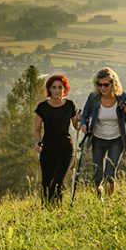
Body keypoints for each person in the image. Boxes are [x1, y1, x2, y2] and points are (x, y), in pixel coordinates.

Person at [79, 67, 126, 199]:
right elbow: (85, 114)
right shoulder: (94, 98)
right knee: (97, 173)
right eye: (99, 85)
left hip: (117, 139)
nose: (103, 88)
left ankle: (109, 199)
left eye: (106, 84)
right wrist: (84, 124)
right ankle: (100, 198)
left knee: (110, 172)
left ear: (114, 83)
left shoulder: (123, 97)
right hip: (98, 138)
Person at [33, 74, 80, 205]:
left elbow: (76, 126)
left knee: (57, 181)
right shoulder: (42, 107)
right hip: (47, 149)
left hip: (66, 149)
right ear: (49, 89)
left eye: (60, 87)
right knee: (46, 184)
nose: (57, 90)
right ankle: (47, 212)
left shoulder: (69, 105)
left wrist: (80, 119)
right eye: (54, 87)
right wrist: (37, 142)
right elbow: (37, 129)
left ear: (65, 89)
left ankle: (56, 212)